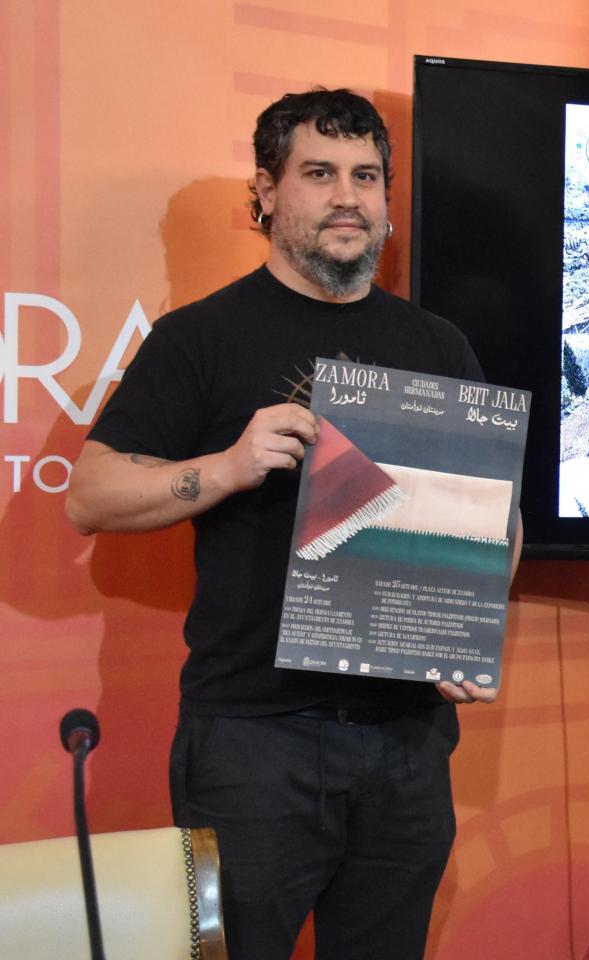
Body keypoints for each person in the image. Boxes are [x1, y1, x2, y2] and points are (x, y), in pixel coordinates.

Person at [65, 88, 512, 960]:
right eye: (318, 174)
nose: (348, 197)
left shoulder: (439, 347)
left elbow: (497, 519)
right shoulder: (199, 338)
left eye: (366, 177)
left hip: (407, 745)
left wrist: (472, 622)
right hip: (253, 745)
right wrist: (229, 467)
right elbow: (90, 493)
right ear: (266, 194)